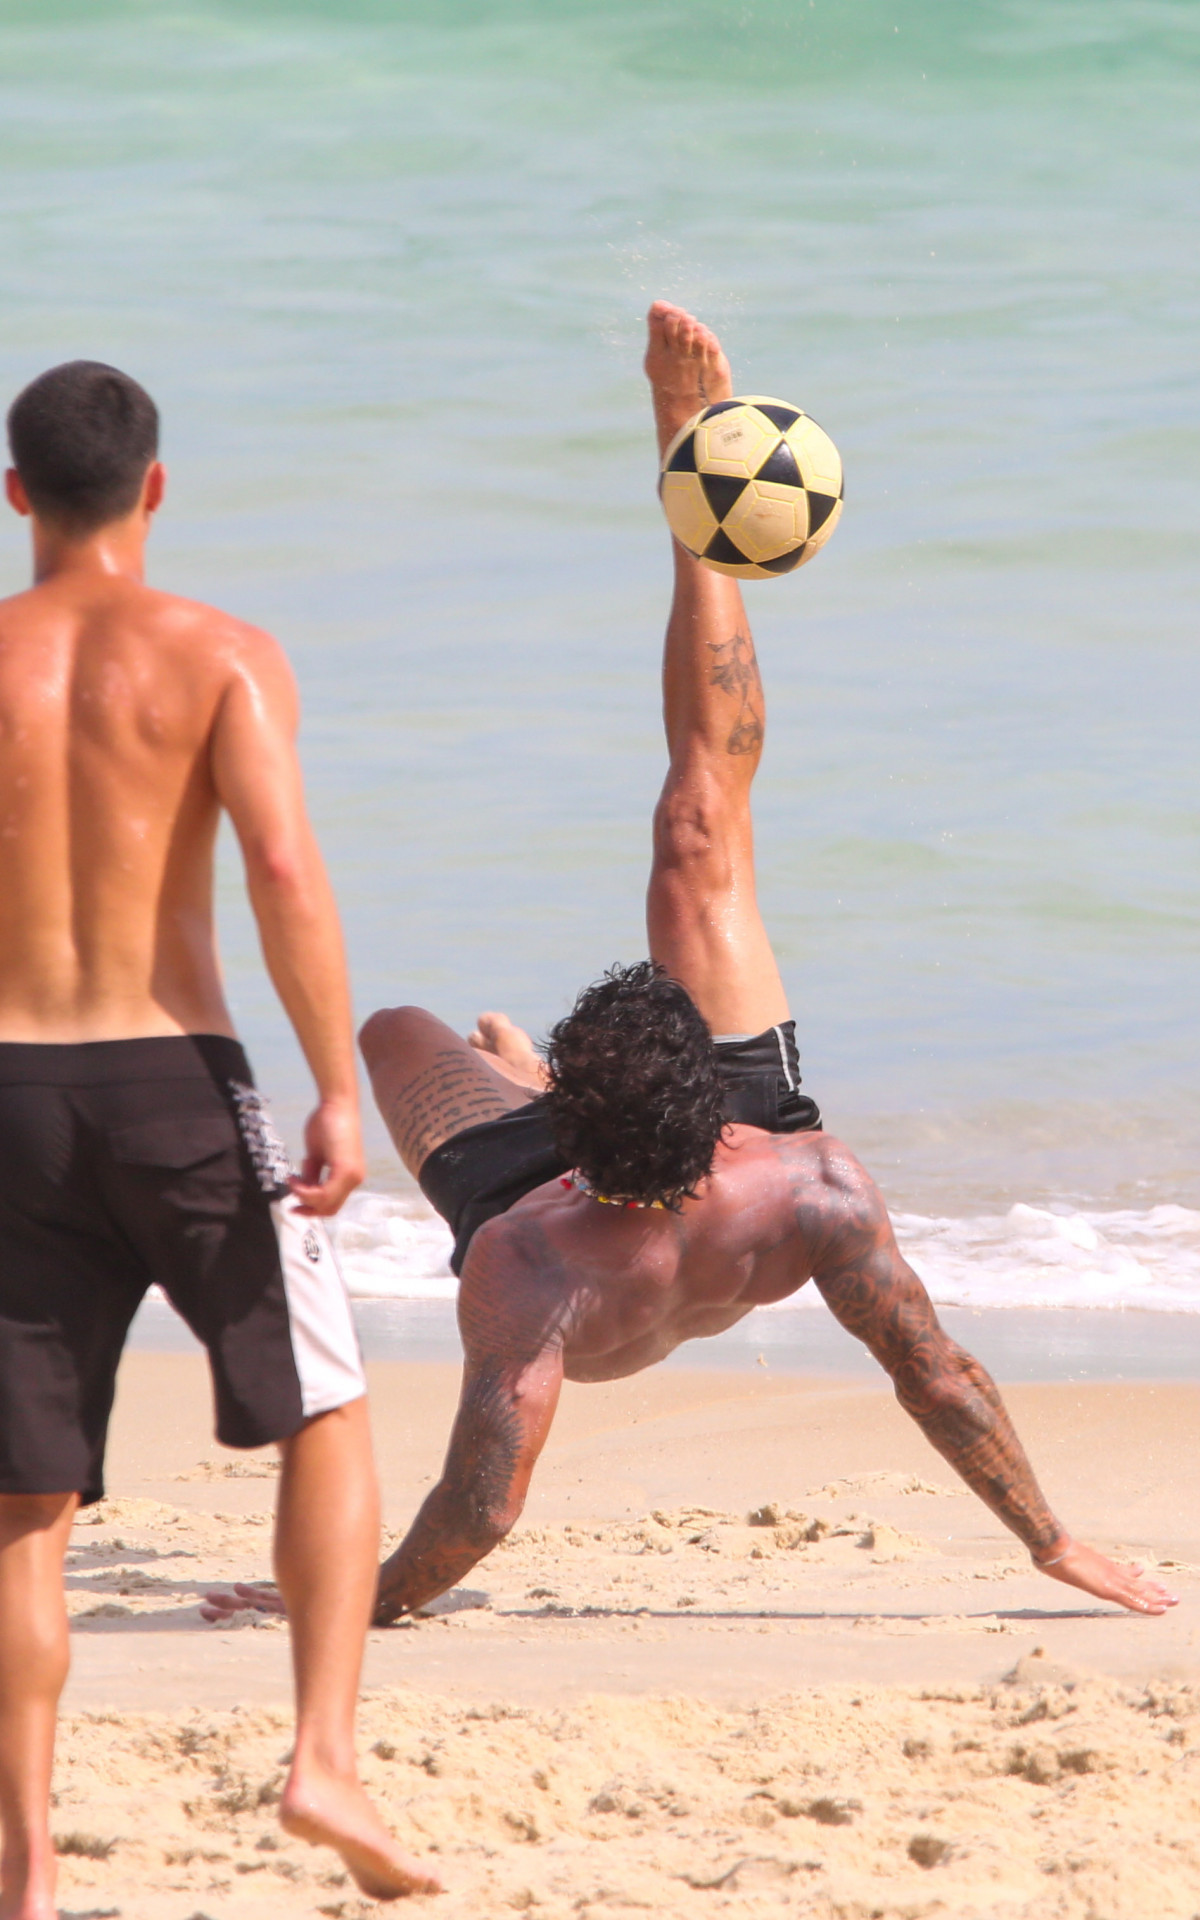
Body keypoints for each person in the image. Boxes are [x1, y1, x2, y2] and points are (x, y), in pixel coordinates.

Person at [208, 302, 1177, 1643]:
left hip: (604, 1145)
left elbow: (936, 1373)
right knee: (391, 1028)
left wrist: (1057, 1539)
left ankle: (694, 478)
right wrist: (355, 1597)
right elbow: (477, 1511)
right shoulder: (528, 1265)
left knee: (692, 829)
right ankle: (517, 1069)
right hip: (573, 1164)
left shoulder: (817, 1191)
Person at [0, 360, 438, 1916]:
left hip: (9, 1097)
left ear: (14, 495)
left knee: (24, 1502)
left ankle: (29, 1866)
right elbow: (280, 869)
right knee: (324, 1406)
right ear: (158, 489)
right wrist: (333, 1083)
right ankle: (322, 1759)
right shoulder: (225, 655)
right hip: (174, 1077)